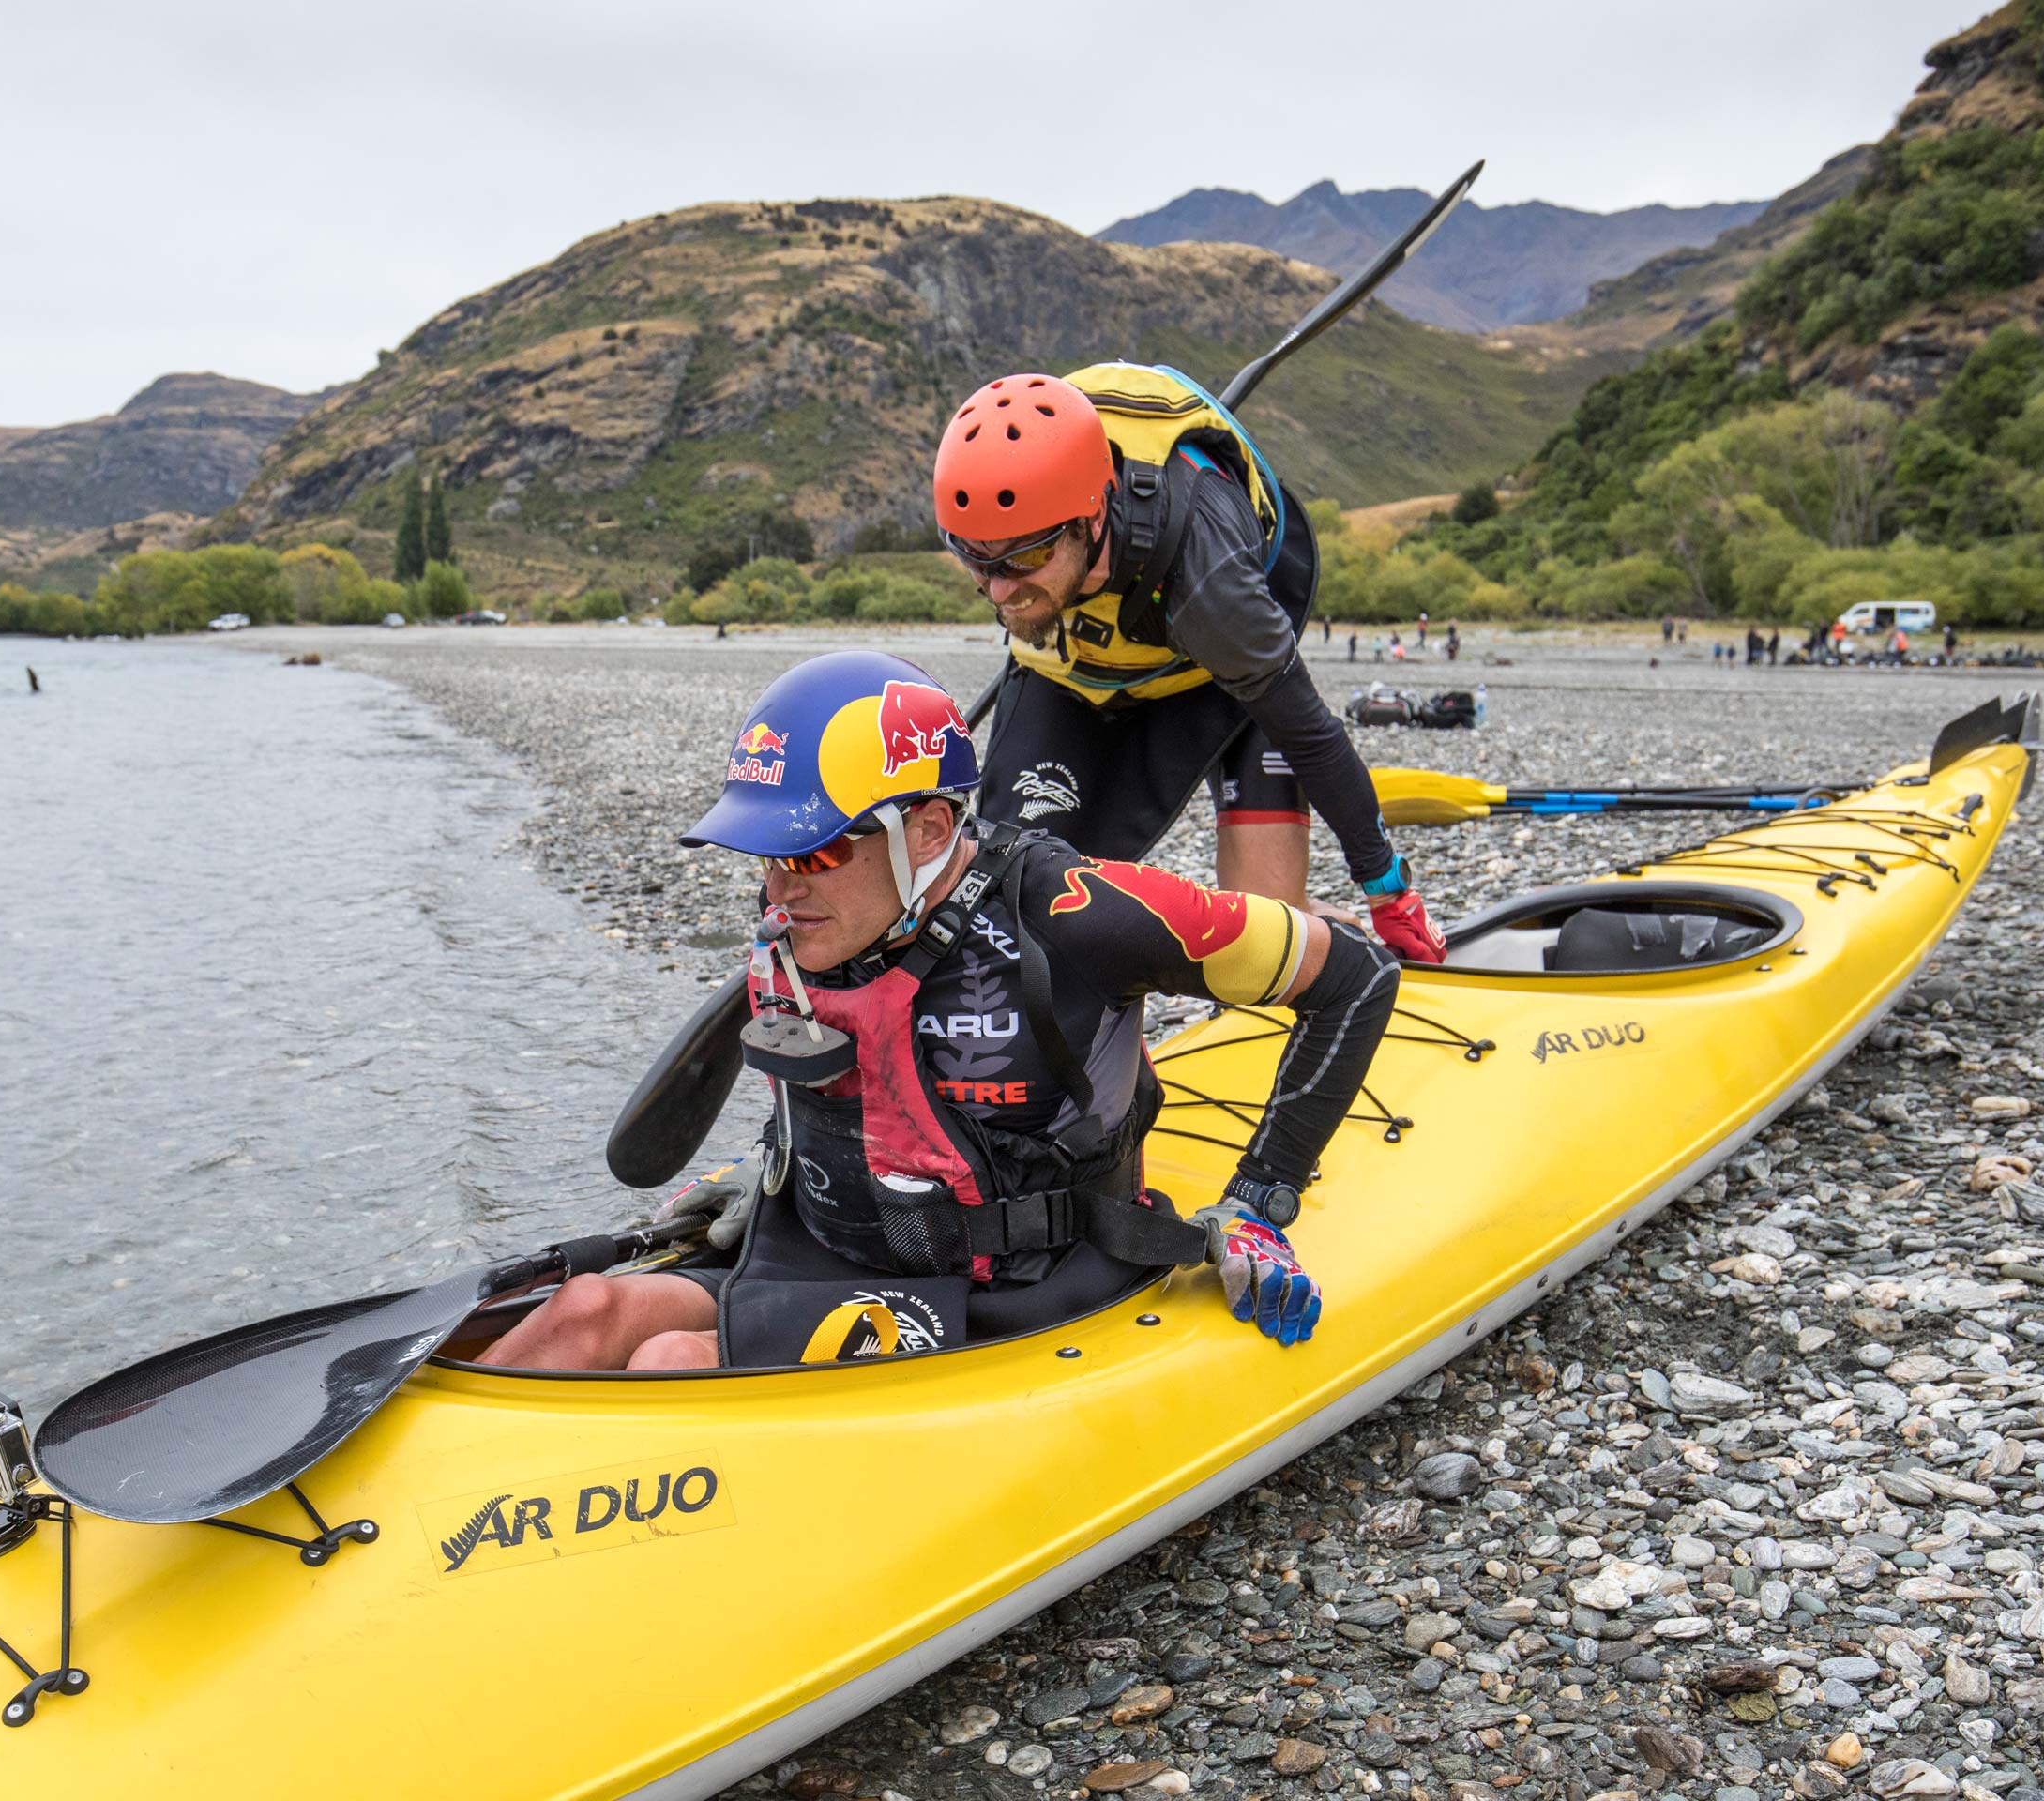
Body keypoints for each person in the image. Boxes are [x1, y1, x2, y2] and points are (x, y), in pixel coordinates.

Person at [479, 652, 1398, 1371]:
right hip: (826, 1252)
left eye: (808, 854)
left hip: (1017, 1289)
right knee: (587, 1313)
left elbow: (1355, 974)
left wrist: (1260, 1201)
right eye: (763, 853)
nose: (775, 889)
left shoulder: (1078, 911)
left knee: (675, 1359)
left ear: (924, 830)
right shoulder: (815, 915)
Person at [929, 370, 1445, 962]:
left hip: (1215, 670)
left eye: (1028, 557)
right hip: (1072, 672)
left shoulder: (1211, 583)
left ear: (1092, 518)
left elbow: (1310, 734)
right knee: (1011, 912)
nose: (997, 591)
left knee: (1265, 934)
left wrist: (1388, 887)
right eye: (973, 558)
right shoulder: (1026, 520)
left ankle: (1345, 953)